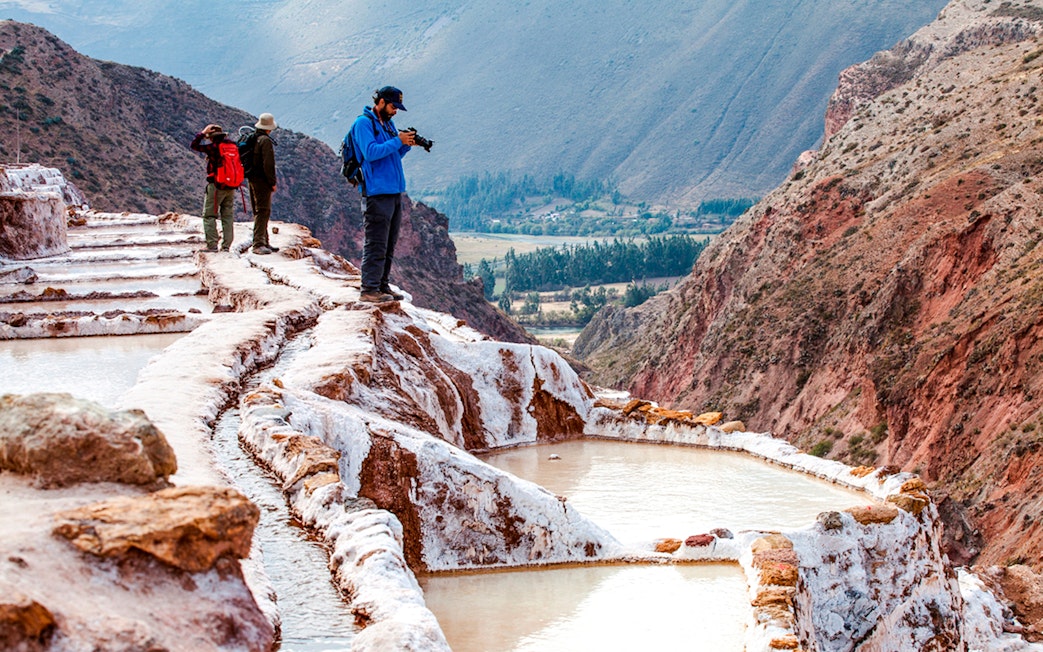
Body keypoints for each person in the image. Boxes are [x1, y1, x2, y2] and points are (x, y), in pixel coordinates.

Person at [349, 86, 415, 302]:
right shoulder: (363, 123)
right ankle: (369, 290)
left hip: (393, 191)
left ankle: (382, 286)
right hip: (376, 193)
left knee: (389, 243)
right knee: (376, 242)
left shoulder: (387, 123)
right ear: (381, 102)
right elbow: (371, 152)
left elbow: (391, 156)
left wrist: (405, 145)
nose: (395, 110)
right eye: (393, 106)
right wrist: (398, 141)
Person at [190, 124, 236, 252]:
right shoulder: (232, 146)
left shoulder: (214, 147)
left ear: (211, 137)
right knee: (227, 215)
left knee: (209, 215)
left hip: (216, 186)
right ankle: (226, 246)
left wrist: (202, 133)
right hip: (231, 186)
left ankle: (212, 245)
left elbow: (194, 145)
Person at [247, 113, 279, 255]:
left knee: (258, 210)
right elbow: (268, 164)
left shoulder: (253, 139)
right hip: (262, 181)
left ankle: (264, 241)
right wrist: (272, 182)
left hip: (252, 179)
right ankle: (258, 244)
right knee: (263, 211)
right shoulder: (265, 141)